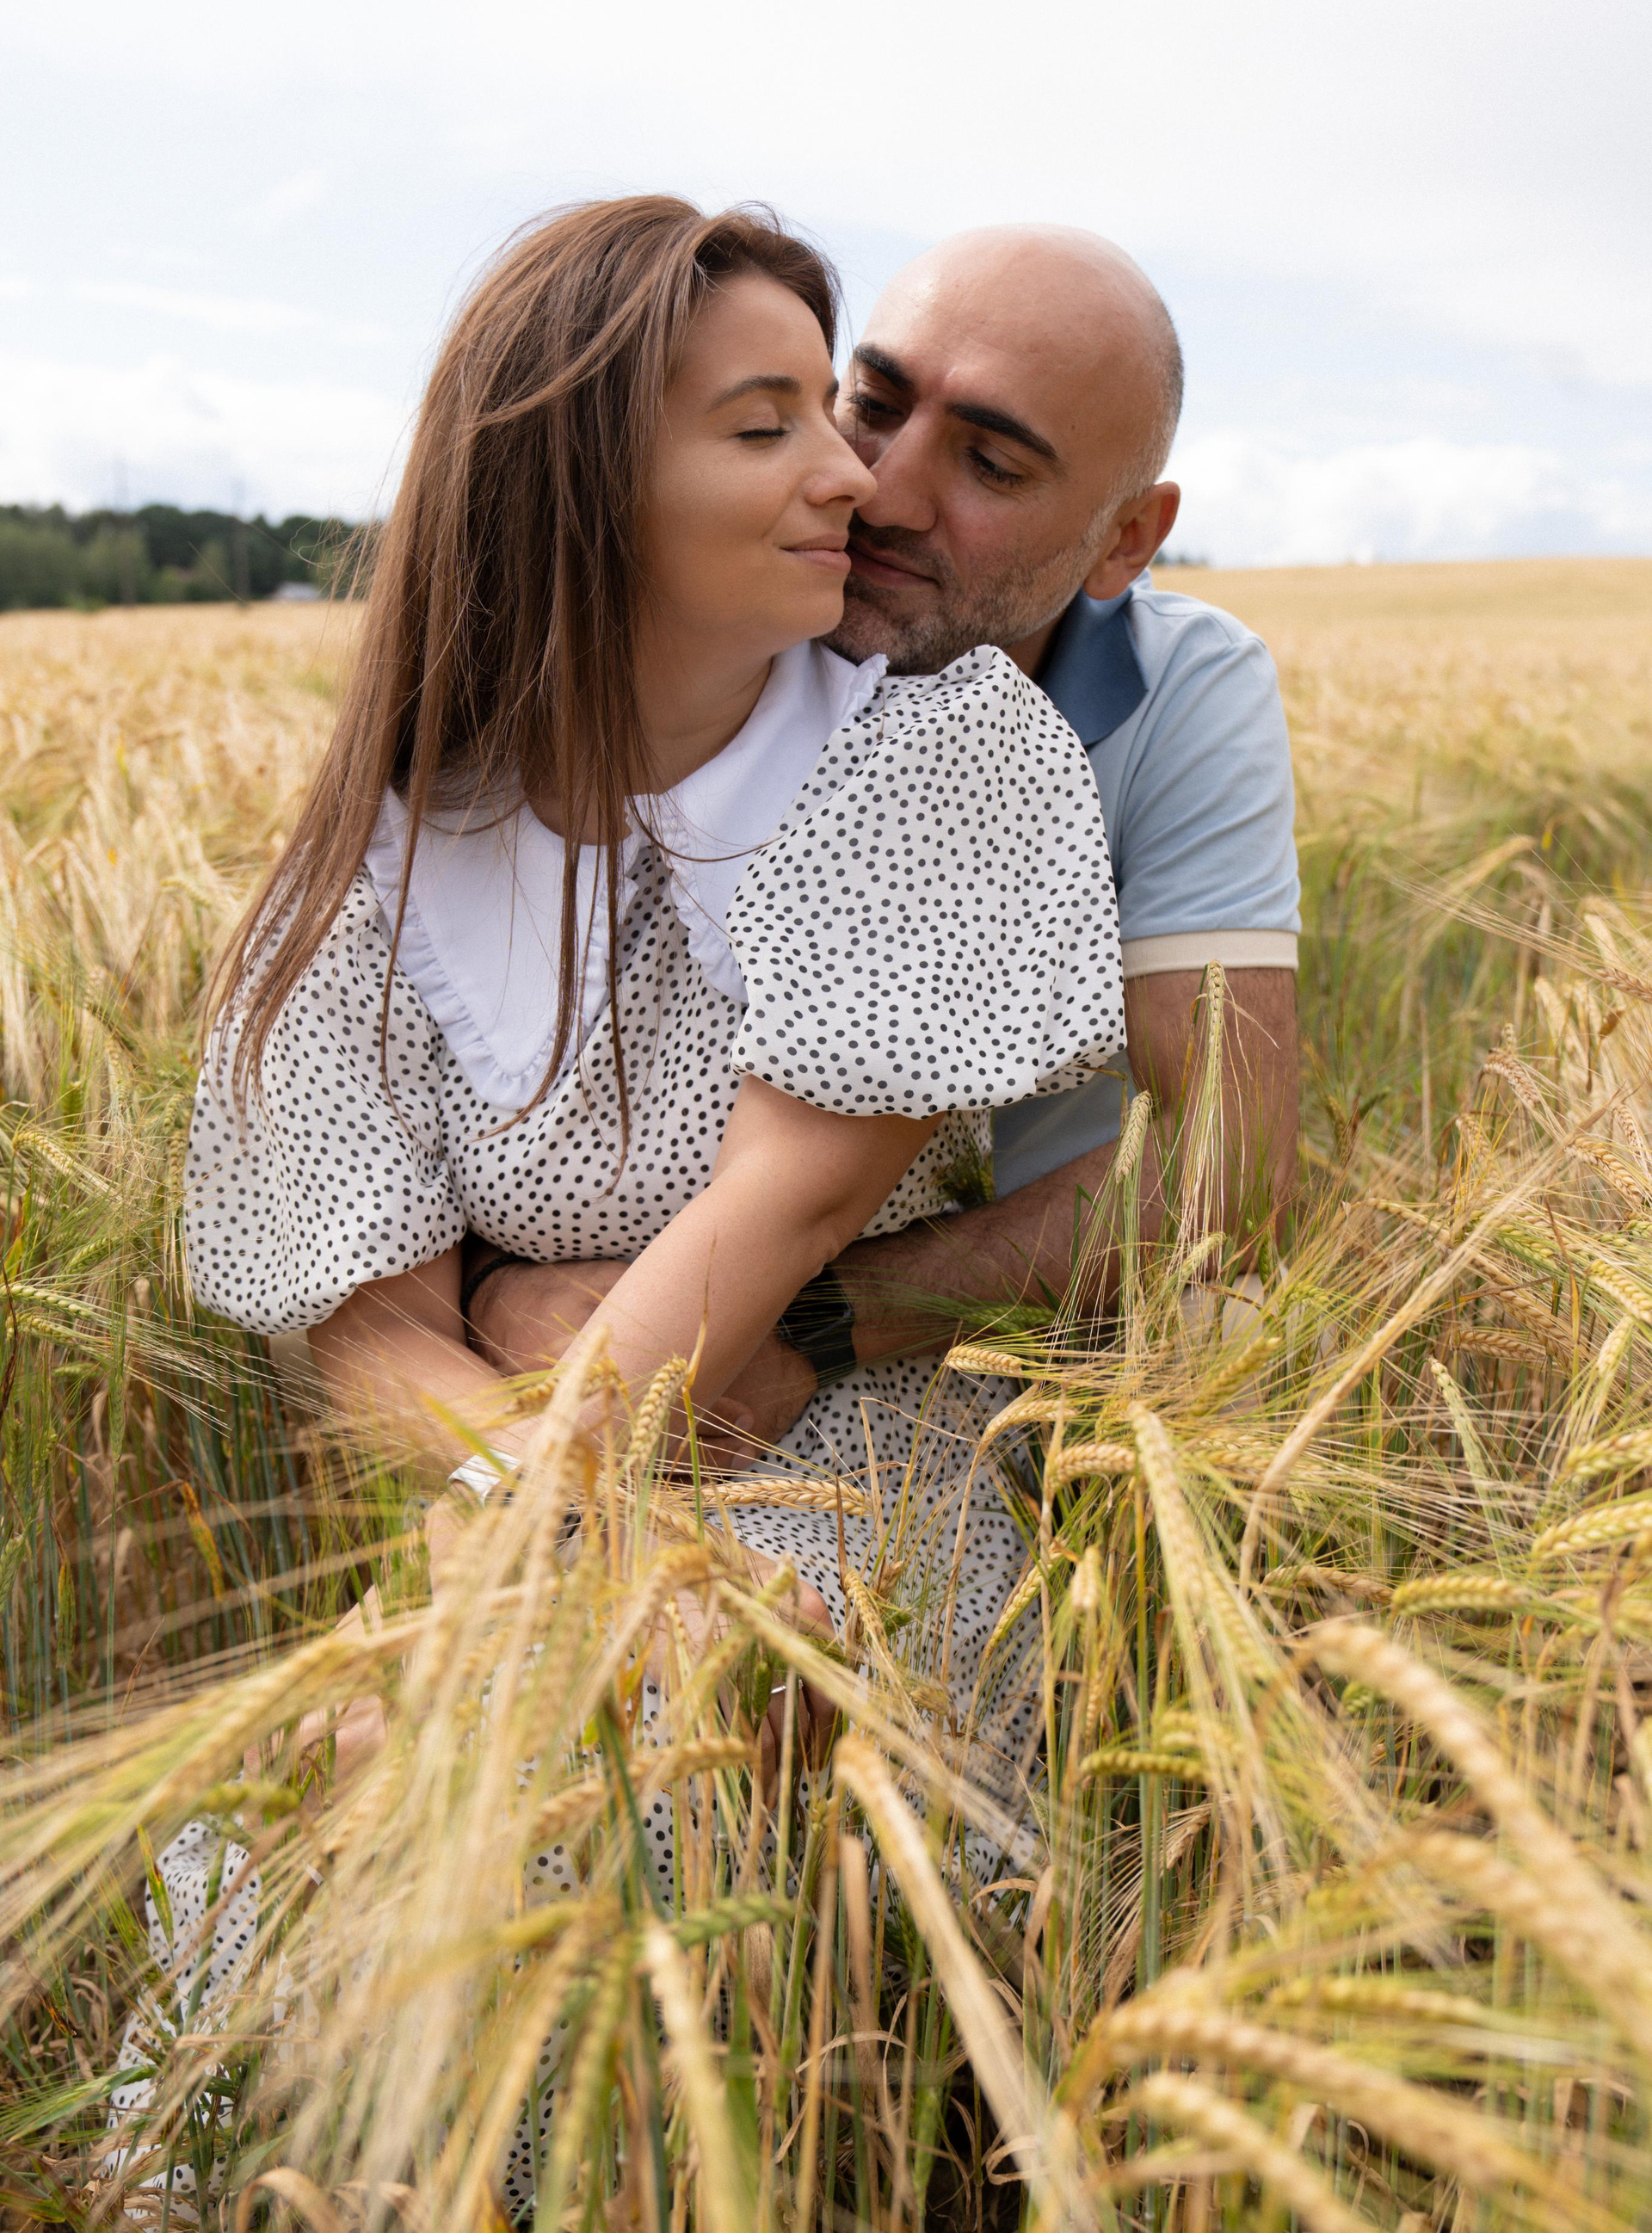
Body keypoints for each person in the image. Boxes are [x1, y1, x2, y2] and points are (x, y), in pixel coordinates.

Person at [181, 194, 1126, 1777]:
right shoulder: (383, 854)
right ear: (580, 486)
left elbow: (791, 1202)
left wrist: (542, 1541)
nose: (852, 475)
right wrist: (548, 1523)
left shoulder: (941, 755)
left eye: (826, 408)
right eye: (767, 428)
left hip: (848, 1476)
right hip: (526, 1494)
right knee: (342, 1806)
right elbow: (370, 1332)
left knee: (648, 1761)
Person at [469, 225, 1300, 1443]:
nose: (880, 493)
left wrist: (810, 1323)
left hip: (1014, 1314)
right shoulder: (722, 616)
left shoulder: (1180, 690)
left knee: (1227, 1335)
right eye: (872, 405)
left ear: (1127, 538)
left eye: (991, 466)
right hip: (637, 1292)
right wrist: (494, 1289)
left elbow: (1233, 1156)